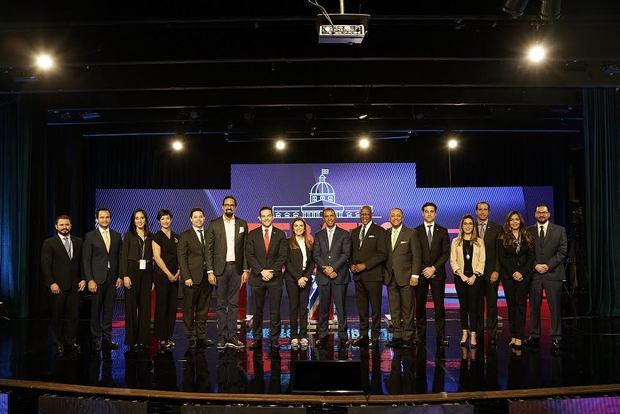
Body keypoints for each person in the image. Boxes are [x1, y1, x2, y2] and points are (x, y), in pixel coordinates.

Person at [205, 195, 249, 350]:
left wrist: (245, 269)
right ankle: (223, 336)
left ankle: (233, 336)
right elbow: (208, 249)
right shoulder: (214, 224)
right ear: (222, 207)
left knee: (234, 304)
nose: (229, 207)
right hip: (219, 270)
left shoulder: (242, 224)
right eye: (226, 205)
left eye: (232, 205)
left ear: (235, 207)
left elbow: (245, 249)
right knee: (221, 304)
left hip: (236, 269)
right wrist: (210, 271)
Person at [524, 204, 567, 352]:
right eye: (539, 212)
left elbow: (562, 252)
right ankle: (534, 335)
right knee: (534, 307)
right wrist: (535, 265)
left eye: (544, 212)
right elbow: (526, 252)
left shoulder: (560, 230)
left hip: (553, 274)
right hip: (535, 274)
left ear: (549, 214)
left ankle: (556, 337)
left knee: (554, 308)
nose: (541, 214)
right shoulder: (528, 231)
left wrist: (547, 266)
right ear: (535, 214)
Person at [41, 215, 86, 354]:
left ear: (70, 225)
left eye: (67, 224)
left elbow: (82, 263)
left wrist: (84, 279)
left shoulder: (78, 241)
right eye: (61, 225)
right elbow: (45, 265)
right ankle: (58, 342)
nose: (64, 227)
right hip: (58, 286)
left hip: (74, 286)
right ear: (56, 226)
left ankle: (71, 341)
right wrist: (51, 283)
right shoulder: (49, 243)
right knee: (57, 316)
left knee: (73, 316)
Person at [245, 207, 288, 352]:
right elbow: (250, 255)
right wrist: (261, 271)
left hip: (275, 279)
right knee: (258, 310)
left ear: (273, 217)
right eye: (263, 216)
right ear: (259, 218)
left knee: (275, 311)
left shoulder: (280, 234)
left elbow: (282, 256)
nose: (266, 218)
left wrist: (272, 272)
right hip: (258, 278)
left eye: (269, 216)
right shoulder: (252, 234)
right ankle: (256, 338)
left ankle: (274, 339)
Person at [83, 208, 123, 352]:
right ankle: (96, 339)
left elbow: (119, 258)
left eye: (107, 217)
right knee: (95, 310)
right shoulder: (90, 236)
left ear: (110, 219)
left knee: (109, 309)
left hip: (112, 278)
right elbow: (86, 260)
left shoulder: (117, 236)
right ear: (97, 219)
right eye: (102, 217)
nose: (105, 219)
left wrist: (119, 276)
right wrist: (90, 279)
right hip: (96, 279)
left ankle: (107, 338)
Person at [312, 208, 351, 349]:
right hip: (323, 277)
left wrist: (333, 268)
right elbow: (316, 255)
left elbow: (345, 254)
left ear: (335, 216)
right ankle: (322, 336)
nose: (329, 218)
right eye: (326, 216)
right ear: (323, 218)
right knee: (323, 309)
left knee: (341, 309)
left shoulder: (345, 234)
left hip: (339, 276)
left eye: (332, 216)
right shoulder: (318, 235)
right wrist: (326, 269)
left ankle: (343, 337)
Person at [350, 205, 388, 349]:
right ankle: (363, 335)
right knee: (362, 309)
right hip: (358, 277)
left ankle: (375, 336)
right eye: (362, 214)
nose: (364, 216)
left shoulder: (380, 231)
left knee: (375, 309)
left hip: (373, 276)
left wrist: (365, 265)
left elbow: (382, 254)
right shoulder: (355, 232)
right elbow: (351, 252)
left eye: (367, 213)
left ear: (371, 214)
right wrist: (351, 265)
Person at [414, 202, 450, 347]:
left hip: (437, 274)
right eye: (426, 211)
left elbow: (445, 253)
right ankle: (420, 336)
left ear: (436, 214)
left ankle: (441, 336)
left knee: (439, 307)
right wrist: (425, 269)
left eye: (432, 211)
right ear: (423, 213)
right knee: (420, 307)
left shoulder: (442, 231)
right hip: (422, 274)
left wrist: (433, 268)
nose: (429, 214)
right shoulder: (415, 231)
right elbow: (415, 254)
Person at [384, 208, 421, 349]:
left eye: (398, 215)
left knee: (407, 308)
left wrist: (415, 275)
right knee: (394, 309)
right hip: (390, 277)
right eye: (393, 215)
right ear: (390, 217)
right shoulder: (386, 234)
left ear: (402, 217)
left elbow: (417, 256)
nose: (395, 218)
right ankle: (397, 335)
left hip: (407, 277)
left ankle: (407, 336)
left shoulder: (411, 233)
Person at [498, 211, 535, 351]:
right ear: (508, 222)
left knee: (520, 305)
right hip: (508, 276)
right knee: (511, 305)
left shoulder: (527, 236)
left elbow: (531, 257)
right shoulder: (502, 237)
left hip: (524, 277)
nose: (514, 222)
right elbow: (502, 258)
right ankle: (513, 335)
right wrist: (513, 272)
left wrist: (521, 272)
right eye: (512, 220)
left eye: (517, 219)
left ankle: (519, 336)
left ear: (520, 221)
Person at [178, 208, 213, 350]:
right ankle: (190, 336)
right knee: (189, 308)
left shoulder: (210, 234)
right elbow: (182, 258)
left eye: (201, 216)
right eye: (195, 217)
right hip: (191, 278)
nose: (198, 219)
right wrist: (186, 276)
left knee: (203, 309)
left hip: (207, 277)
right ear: (191, 219)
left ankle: (201, 336)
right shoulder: (185, 235)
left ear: (204, 218)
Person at [450, 214, 486, 349]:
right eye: (465, 223)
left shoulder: (479, 241)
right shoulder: (455, 241)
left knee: (474, 307)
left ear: (473, 226)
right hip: (460, 278)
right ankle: (464, 333)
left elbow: (482, 260)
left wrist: (474, 276)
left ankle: (473, 334)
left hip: (475, 278)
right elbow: (453, 260)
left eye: (470, 223)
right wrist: (462, 275)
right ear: (462, 226)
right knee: (463, 306)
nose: (468, 226)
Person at [120, 209, 154, 351]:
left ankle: (143, 339)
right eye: (136, 218)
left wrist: (152, 279)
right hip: (132, 271)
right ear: (133, 221)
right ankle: (131, 339)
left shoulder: (151, 236)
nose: (139, 220)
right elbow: (123, 256)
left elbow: (154, 258)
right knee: (131, 307)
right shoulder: (128, 235)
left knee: (145, 307)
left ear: (146, 219)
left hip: (147, 271)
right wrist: (125, 276)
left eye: (142, 218)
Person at [474, 201, 502, 345]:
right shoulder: (470, 226)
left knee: (491, 304)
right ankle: (478, 333)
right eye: (480, 209)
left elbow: (499, 253)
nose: (483, 212)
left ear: (489, 212)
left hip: (492, 273)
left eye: (485, 209)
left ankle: (492, 334)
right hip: (475, 274)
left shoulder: (497, 228)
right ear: (476, 211)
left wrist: (496, 270)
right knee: (477, 304)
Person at [152, 209, 180, 352]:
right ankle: (161, 337)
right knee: (162, 305)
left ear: (171, 219)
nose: (165, 221)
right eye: (162, 219)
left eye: (168, 218)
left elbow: (181, 256)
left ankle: (169, 336)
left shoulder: (176, 236)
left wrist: (178, 272)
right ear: (159, 221)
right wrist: (169, 274)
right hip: (162, 275)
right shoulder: (156, 236)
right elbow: (157, 257)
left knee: (172, 306)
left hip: (175, 276)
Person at [284, 218, 314, 349]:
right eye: (296, 226)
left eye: (301, 225)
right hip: (292, 279)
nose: (298, 228)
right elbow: (287, 262)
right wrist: (298, 278)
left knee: (303, 308)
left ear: (305, 227)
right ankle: (294, 336)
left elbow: (312, 262)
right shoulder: (287, 243)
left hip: (305, 280)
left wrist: (305, 277)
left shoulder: (309, 242)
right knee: (293, 307)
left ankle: (303, 335)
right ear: (292, 228)